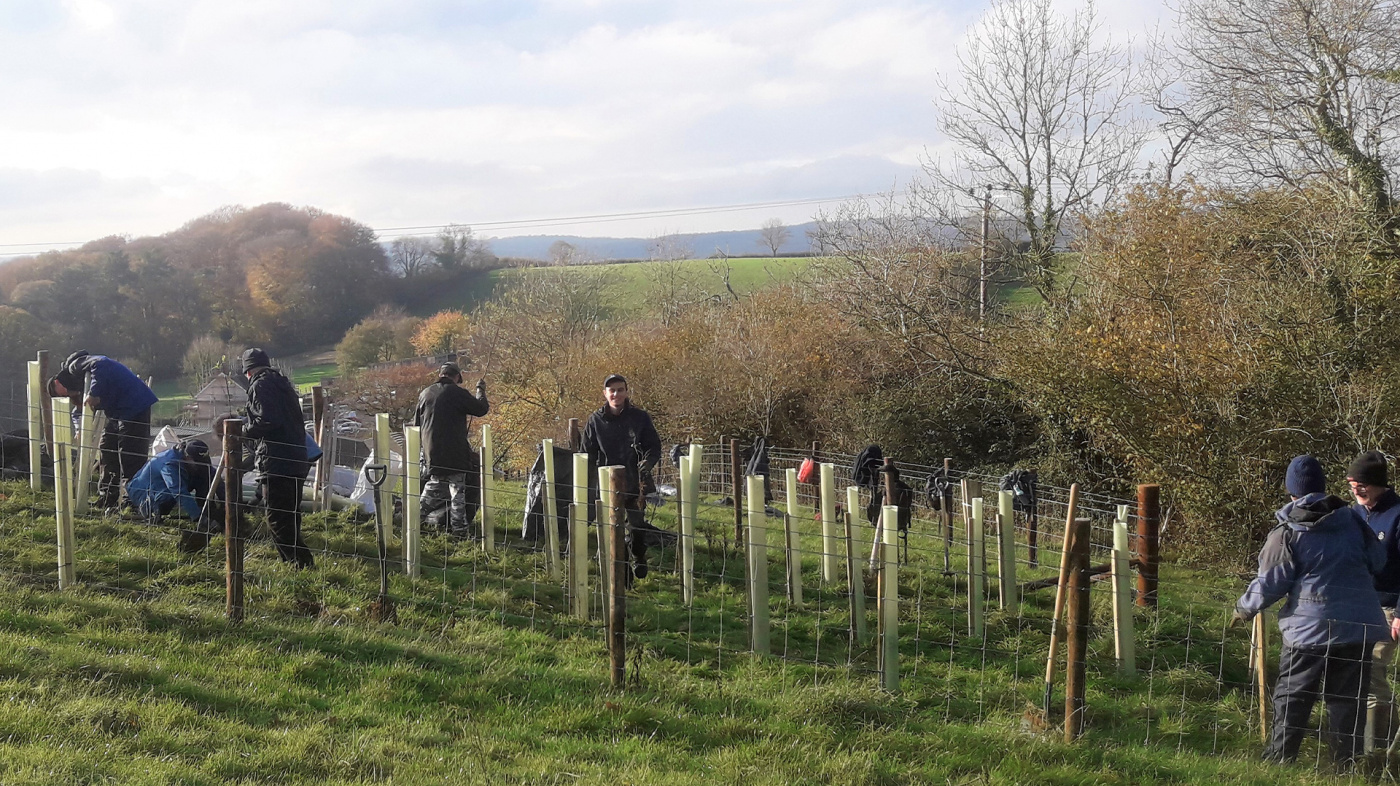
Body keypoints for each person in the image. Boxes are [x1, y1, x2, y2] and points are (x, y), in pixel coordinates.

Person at [1235, 454, 1387, 767]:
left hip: (1308, 630)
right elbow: (1379, 561)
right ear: (1322, 486)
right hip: (1358, 627)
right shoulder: (1354, 521)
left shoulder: (1288, 531)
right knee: (1347, 701)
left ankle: (1280, 761)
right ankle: (1345, 765)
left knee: (1293, 696)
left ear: (1291, 491)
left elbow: (1271, 583)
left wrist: (1243, 609)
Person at [582, 373, 672, 581]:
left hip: (635, 482)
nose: (616, 394)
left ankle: (639, 556)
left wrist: (647, 464)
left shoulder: (640, 418)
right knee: (614, 529)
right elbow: (587, 452)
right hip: (606, 483)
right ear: (605, 393)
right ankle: (624, 577)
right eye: (611, 390)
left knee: (637, 527)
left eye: (620, 389)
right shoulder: (596, 420)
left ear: (626, 392)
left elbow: (654, 446)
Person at [47, 350, 158, 511]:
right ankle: (107, 497)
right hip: (118, 412)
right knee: (107, 449)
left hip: (135, 404)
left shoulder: (75, 367)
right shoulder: (77, 385)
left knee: (130, 454)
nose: (66, 398)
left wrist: (93, 393)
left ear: (58, 382)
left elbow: (101, 363)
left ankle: (134, 501)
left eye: (61, 395)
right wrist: (79, 429)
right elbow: (78, 412)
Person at [238, 348, 314, 568]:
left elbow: (267, 421)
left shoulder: (260, 386)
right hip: (297, 457)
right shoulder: (283, 385)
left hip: (277, 460)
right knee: (290, 514)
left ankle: (295, 564)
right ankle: (302, 563)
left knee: (277, 518)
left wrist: (243, 431)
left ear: (248, 371)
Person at [1349, 449, 1400, 750]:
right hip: (1355, 606)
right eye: (1351, 483)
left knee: (1372, 673)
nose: (1356, 489)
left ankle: (1375, 754)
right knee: (1353, 672)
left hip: (1387, 609)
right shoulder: (1351, 514)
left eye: (1362, 484)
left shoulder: (1397, 515)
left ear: (1378, 483)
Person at [413, 362, 489, 538]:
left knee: (434, 487)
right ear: (456, 377)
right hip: (455, 453)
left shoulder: (425, 394)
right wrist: (480, 391)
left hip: (432, 453)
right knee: (457, 493)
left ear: (441, 374)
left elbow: (416, 424)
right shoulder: (456, 392)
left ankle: (412, 520)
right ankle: (459, 531)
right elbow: (481, 409)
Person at [125, 439, 214, 526]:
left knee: (203, 476)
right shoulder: (169, 463)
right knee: (169, 494)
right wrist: (198, 517)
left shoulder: (189, 460)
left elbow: (212, 475)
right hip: (141, 492)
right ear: (187, 457)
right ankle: (151, 511)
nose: (199, 465)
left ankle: (208, 511)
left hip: (159, 485)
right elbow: (178, 491)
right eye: (197, 463)